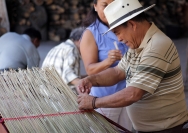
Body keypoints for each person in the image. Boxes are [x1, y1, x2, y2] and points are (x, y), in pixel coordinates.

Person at [77, 0, 188, 132]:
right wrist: (91, 80)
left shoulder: (156, 46)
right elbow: (118, 72)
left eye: (117, 32)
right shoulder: (138, 44)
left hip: (167, 128)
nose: (118, 39)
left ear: (131, 24)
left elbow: (133, 94)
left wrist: (94, 102)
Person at [80, 0, 131, 130]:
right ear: (95, 7)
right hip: (103, 100)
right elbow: (90, 69)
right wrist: (108, 61)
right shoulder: (90, 34)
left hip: (129, 96)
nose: (110, 10)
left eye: (113, 5)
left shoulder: (128, 26)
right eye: (105, 5)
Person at [42, 27, 85, 95]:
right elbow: (69, 76)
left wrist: (88, 78)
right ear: (80, 41)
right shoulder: (72, 50)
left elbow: (63, 73)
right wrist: (86, 83)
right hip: (59, 96)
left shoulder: (58, 48)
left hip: (46, 92)